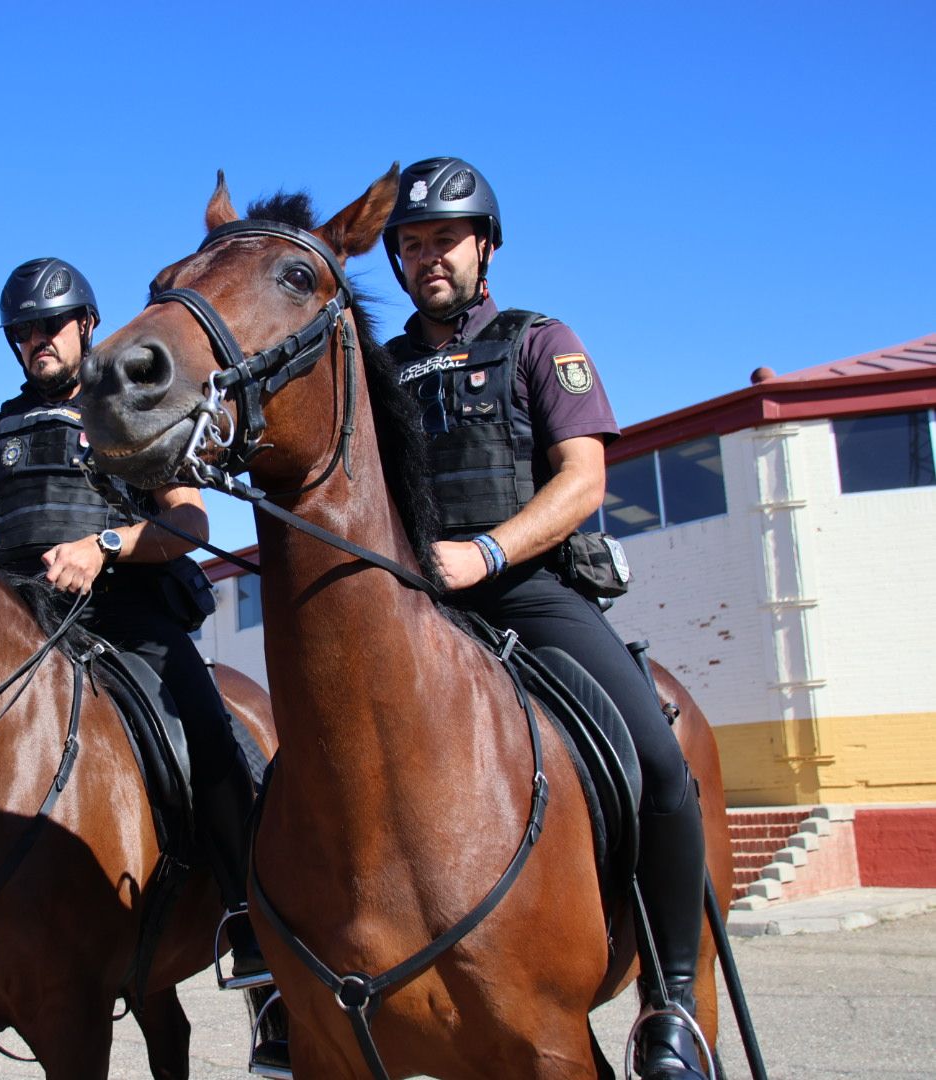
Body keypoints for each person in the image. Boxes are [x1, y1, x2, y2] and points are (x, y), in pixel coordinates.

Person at [373, 157, 709, 1080]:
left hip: (525, 587)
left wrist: (487, 551)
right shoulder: (381, 369)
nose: (427, 256)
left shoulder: (538, 340)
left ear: (485, 246)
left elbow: (584, 478)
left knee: (659, 759)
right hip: (413, 604)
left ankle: (671, 999)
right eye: (411, 243)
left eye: (445, 238)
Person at [0, 257, 266, 979]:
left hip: (122, 612)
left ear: (86, 325)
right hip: (16, 623)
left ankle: (251, 920)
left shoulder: (130, 409)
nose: (37, 339)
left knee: (209, 731)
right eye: (23, 331)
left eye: (50, 324)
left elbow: (188, 523)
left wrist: (106, 544)